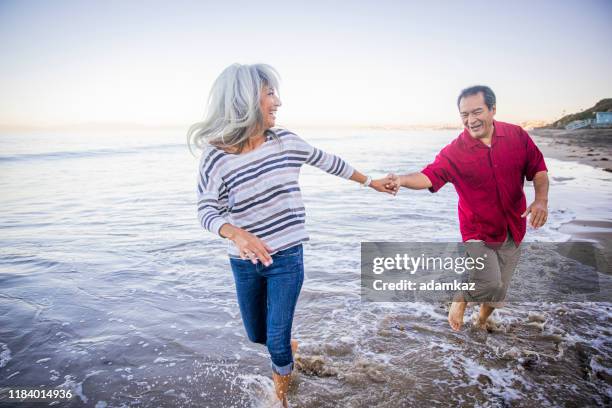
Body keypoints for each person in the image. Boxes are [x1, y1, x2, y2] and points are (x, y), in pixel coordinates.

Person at [187, 63, 395, 406]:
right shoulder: (215, 157)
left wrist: (371, 182)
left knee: (277, 341)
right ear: (244, 100)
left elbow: (329, 161)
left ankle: (280, 401)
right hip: (244, 262)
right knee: (258, 336)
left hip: (287, 258)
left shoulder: (284, 141)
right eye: (270, 93)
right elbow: (206, 211)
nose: (278, 102)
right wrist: (236, 234)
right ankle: (286, 348)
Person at [386, 85, 549, 331]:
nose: (471, 120)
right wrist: (401, 180)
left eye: (477, 112)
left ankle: (481, 321)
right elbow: (429, 176)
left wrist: (541, 200)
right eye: (464, 114)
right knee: (490, 283)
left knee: (498, 291)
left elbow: (538, 168)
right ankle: (460, 296)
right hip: (478, 231)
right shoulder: (455, 151)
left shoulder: (516, 135)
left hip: (513, 227)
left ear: (493, 109)